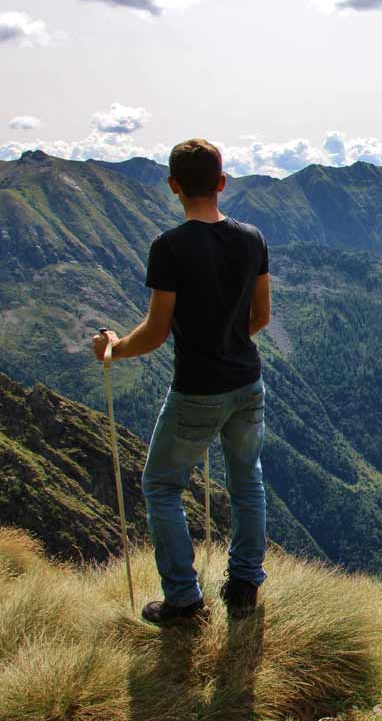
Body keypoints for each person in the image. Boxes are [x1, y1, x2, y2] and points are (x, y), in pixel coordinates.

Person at [93, 138, 271, 625]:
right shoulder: (253, 239)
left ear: (173, 186)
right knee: (247, 482)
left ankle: (184, 601)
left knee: (161, 485)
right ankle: (244, 585)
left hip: (198, 388)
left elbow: (153, 333)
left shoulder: (168, 247)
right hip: (248, 382)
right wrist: (228, 338)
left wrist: (114, 346)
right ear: (221, 182)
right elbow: (261, 316)